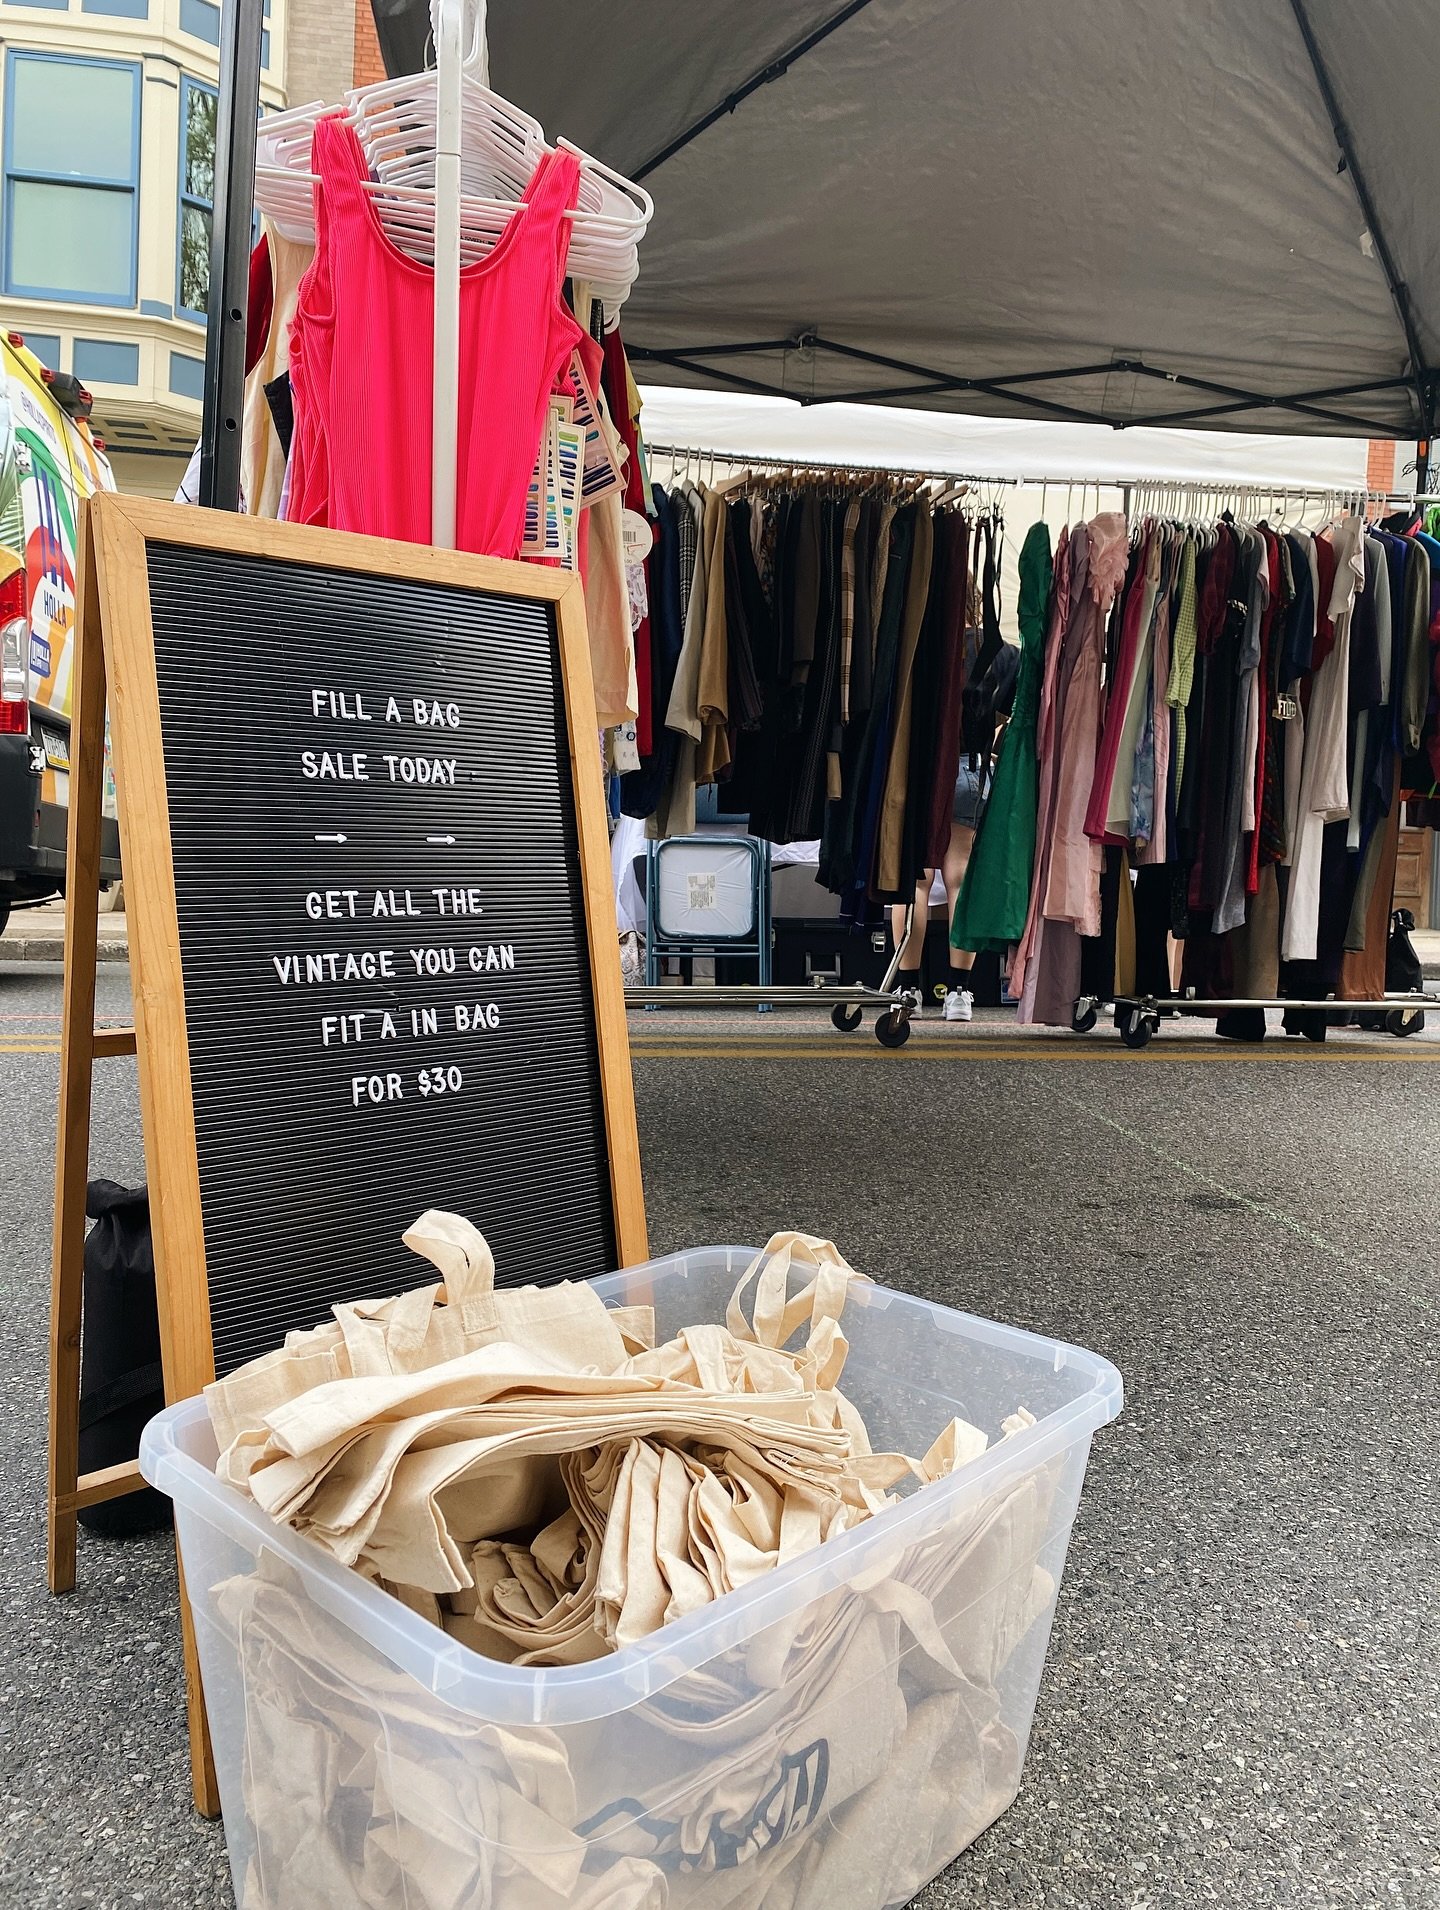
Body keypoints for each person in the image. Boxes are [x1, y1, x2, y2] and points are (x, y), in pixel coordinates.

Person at [890, 760, 981, 1021]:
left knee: (915, 881)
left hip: (918, 768)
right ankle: (959, 993)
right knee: (961, 881)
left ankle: (908, 991)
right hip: (967, 769)